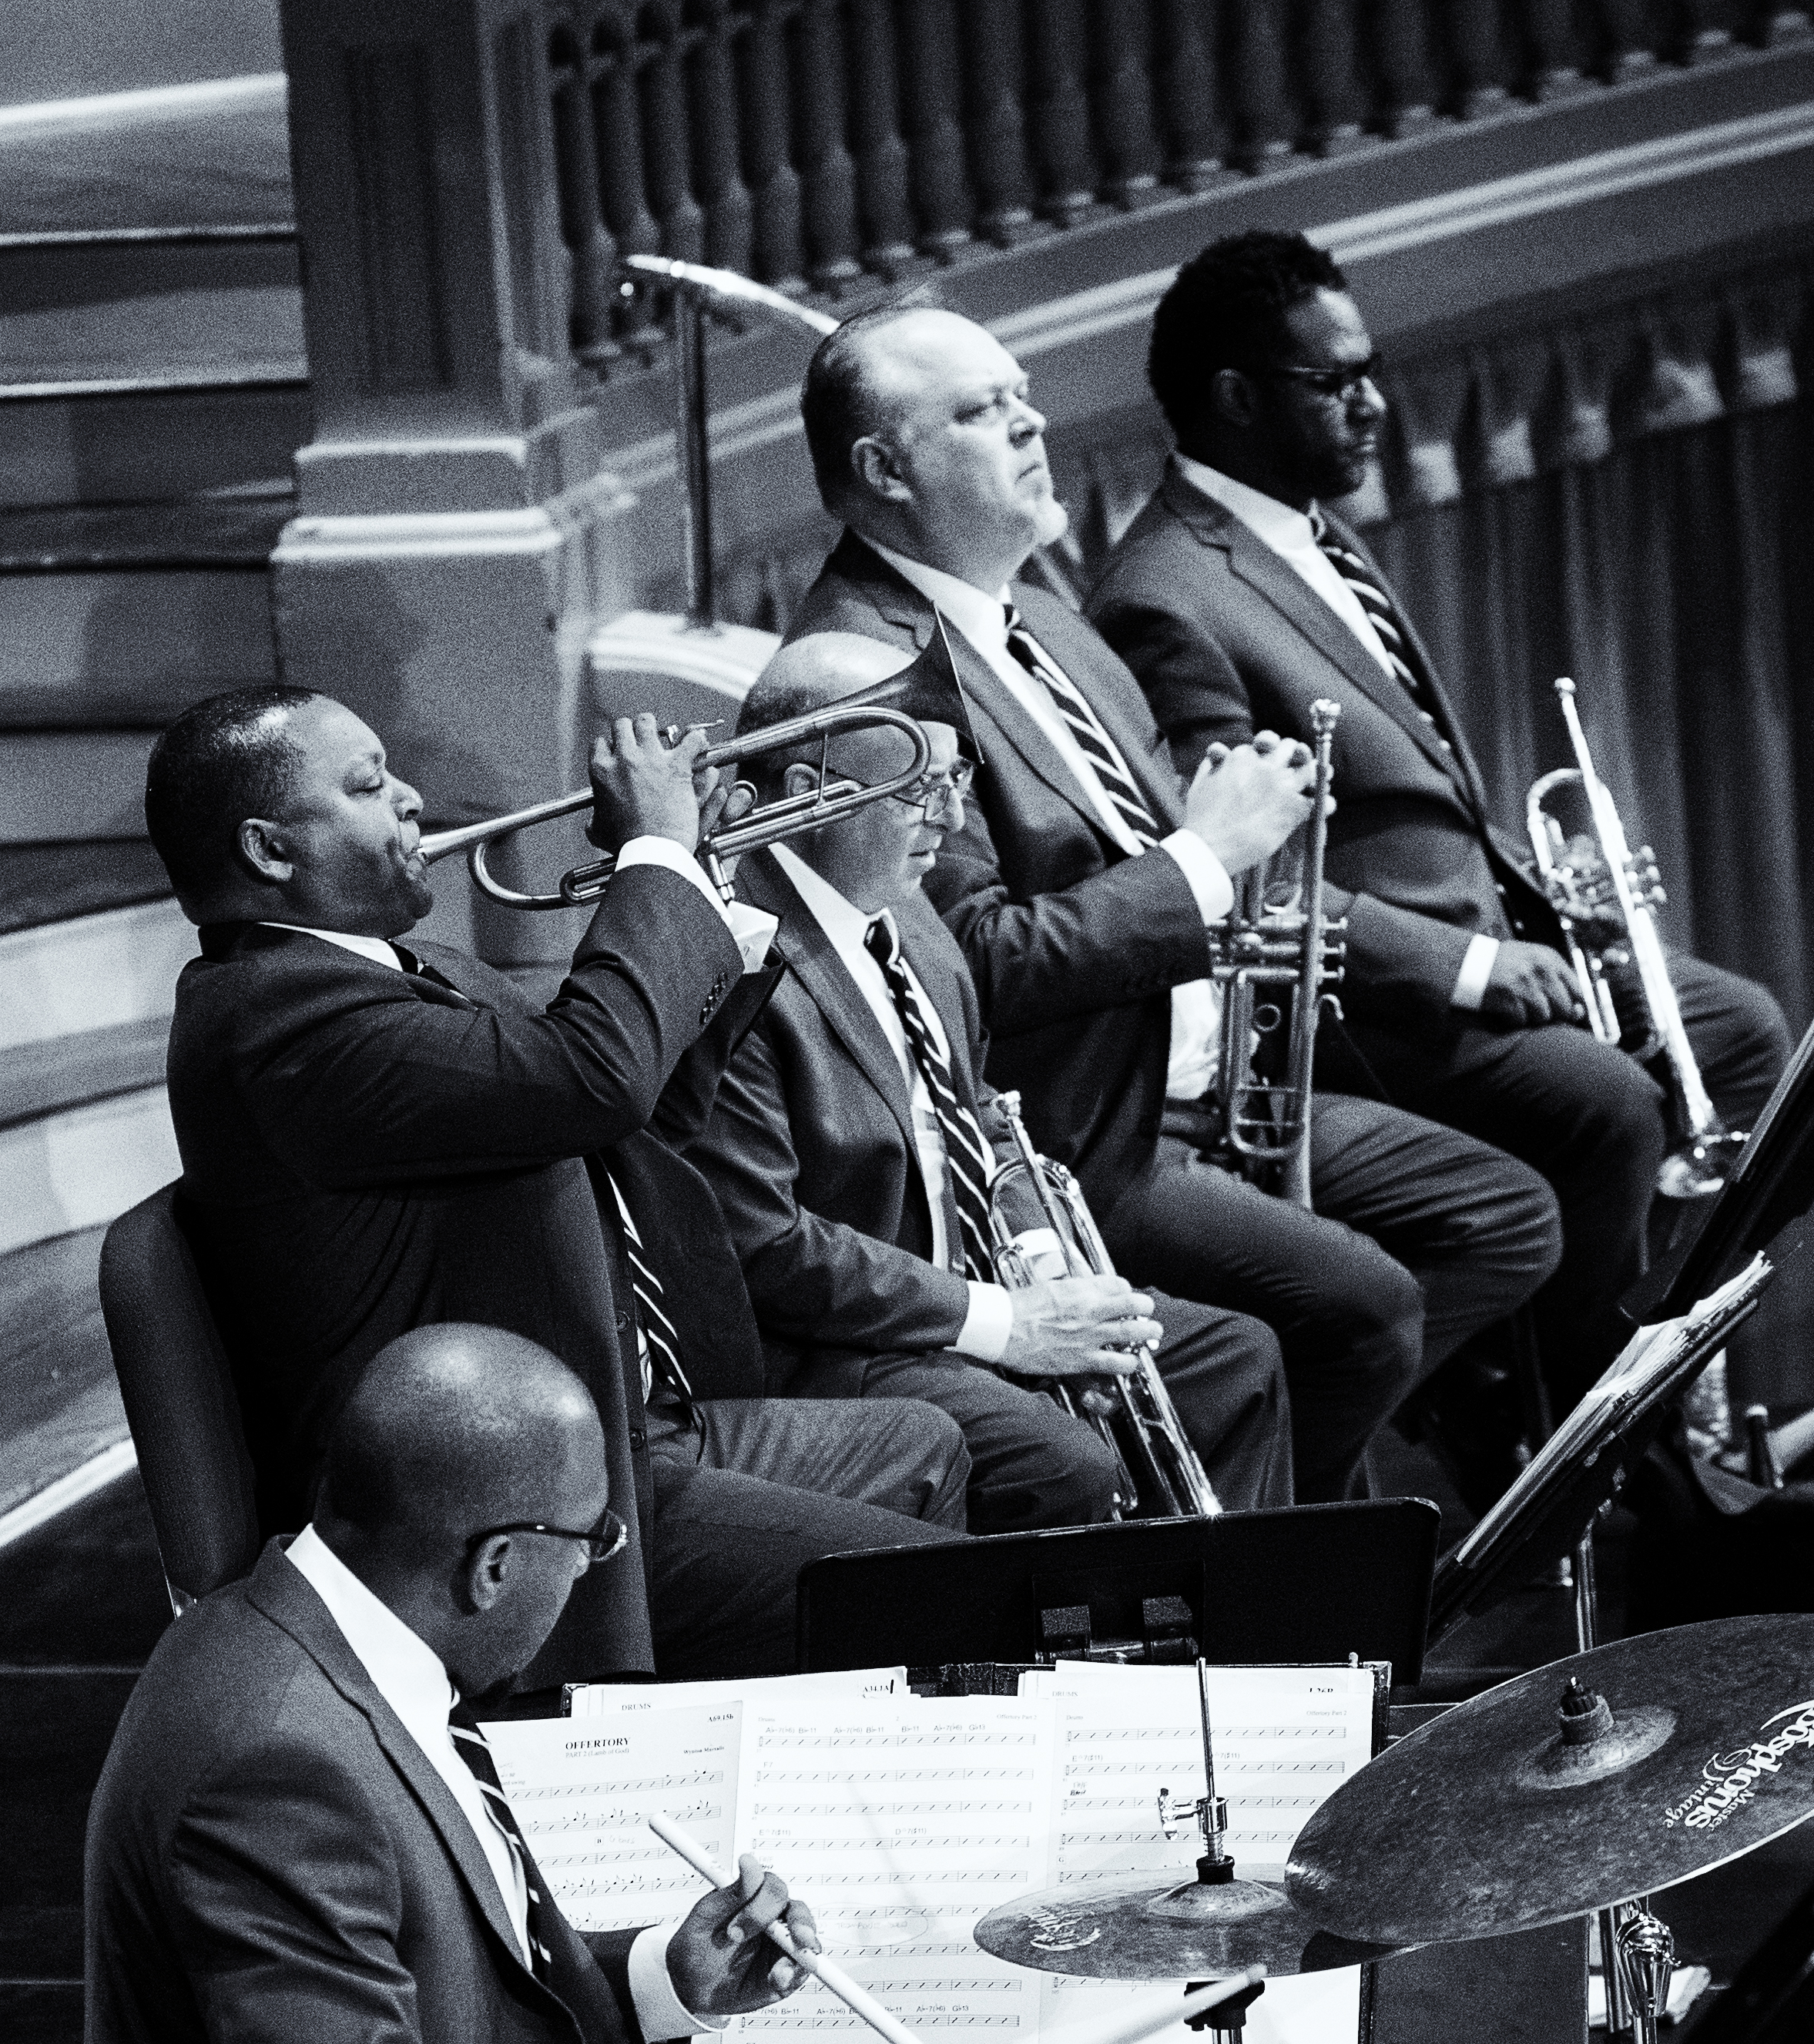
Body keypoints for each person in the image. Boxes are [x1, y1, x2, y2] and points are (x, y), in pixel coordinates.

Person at [783, 306, 1563, 1501]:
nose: (1030, 421)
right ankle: (1284, 1552)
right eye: (979, 413)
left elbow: (1173, 835)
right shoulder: (866, 672)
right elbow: (979, 961)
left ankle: (1305, 1514)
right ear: (884, 470)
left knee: (1501, 1213)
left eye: (1021, 392)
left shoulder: (1041, 616)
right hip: (1085, 1136)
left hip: (1204, 1085)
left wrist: (1241, 837)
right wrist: (1206, 855)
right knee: (1364, 1309)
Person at [68, 1326, 961, 2044]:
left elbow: (455, 1984)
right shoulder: (271, 1758)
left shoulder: (343, 1645)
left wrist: (664, 1974)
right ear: (493, 1563)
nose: (589, 1571)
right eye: (592, 1541)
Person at [1087, 230, 1792, 1403]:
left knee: (1737, 1032)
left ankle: (1644, 1345)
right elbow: (1244, 876)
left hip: (1476, 938)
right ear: (1233, 397)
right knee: (1607, 1099)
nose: (1371, 405)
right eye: (1335, 383)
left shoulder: (1313, 531)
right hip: (1366, 1009)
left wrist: (1534, 892)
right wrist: (1467, 964)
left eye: (1369, 371)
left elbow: (1413, 789)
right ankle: (1585, 1417)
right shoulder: (1162, 597)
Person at [148, 685, 970, 1690]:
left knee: (929, 1447)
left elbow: (629, 1115)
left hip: (620, 1427)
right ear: (272, 852)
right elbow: (592, 1077)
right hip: (495, 1523)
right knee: (936, 1590)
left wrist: (698, 879)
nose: (411, 799)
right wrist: (655, 858)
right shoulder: (280, 1023)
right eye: (367, 785)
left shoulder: (408, 970)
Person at [673, 633, 1296, 1523]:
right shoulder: (729, 958)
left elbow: (979, 1122)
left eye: (956, 783)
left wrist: (1044, 1271)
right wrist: (1009, 1324)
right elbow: (768, 1246)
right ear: (808, 796)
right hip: (834, 1341)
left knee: (1235, 1360)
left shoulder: (913, 911)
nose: (952, 820)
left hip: (964, 1292)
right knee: (1068, 1464)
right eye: (918, 790)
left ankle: (1218, 1636)